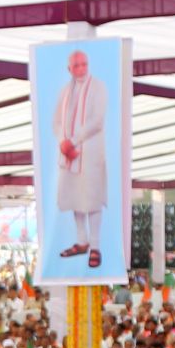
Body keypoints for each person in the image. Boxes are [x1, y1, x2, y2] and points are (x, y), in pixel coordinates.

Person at [51, 46, 112, 269]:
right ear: (69, 68)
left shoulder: (98, 87)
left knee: (92, 198)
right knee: (75, 197)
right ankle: (81, 241)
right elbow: (56, 121)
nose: (81, 69)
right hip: (69, 153)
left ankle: (95, 246)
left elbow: (97, 121)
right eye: (76, 65)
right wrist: (63, 142)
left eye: (84, 64)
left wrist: (74, 140)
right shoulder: (64, 92)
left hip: (91, 152)